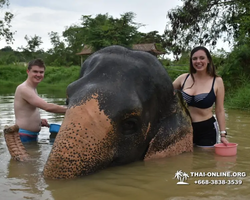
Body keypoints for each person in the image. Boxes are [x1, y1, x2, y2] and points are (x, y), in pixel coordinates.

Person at [173, 46, 229, 147]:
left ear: (208, 60)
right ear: (191, 61)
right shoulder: (183, 78)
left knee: (204, 161)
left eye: (202, 58)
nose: (198, 61)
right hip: (184, 128)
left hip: (207, 130)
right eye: (195, 58)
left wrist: (223, 135)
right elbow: (164, 93)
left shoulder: (217, 81)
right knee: (184, 160)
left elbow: (219, 110)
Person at [14, 58, 67, 142]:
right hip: (24, 136)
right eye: (35, 71)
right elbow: (47, 107)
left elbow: (27, 111)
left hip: (31, 135)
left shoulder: (32, 88)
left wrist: (39, 121)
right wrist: (72, 109)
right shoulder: (24, 89)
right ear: (28, 72)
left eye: (41, 72)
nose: (38, 74)